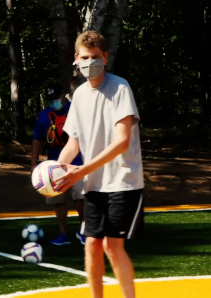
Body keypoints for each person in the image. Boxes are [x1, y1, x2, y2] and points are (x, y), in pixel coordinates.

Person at [56, 30, 145, 298]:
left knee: (111, 246)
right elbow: (74, 143)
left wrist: (81, 171)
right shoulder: (79, 95)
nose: (90, 62)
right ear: (76, 58)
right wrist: (56, 171)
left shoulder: (120, 87)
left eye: (96, 57)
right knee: (91, 244)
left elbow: (121, 142)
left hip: (123, 181)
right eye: (85, 57)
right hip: (94, 184)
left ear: (105, 58)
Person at [31, 83, 86, 246]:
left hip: (78, 162)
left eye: (56, 98)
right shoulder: (44, 115)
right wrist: (34, 163)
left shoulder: (76, 111)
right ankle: (63, 234)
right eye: (50, 100)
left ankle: (83, 230)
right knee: (58, 200)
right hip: (54, 165)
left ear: (63, 95)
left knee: (81, 198)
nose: (53, 102)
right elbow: (37, 139)